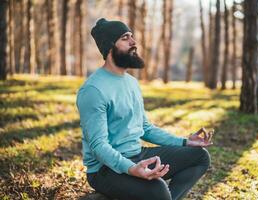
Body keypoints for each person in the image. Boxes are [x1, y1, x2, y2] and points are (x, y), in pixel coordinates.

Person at [76, 18, 213, 200]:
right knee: (158, 189)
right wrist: (132, 169)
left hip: (137, 154)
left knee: (200, 157)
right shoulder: (93, 90)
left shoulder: (131, 82)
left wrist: (185, 142)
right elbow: (98, 146)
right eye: (126, 38)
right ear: (110, 47)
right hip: (104, 169)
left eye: (132, 36)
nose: (134, 43)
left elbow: (145, 128)